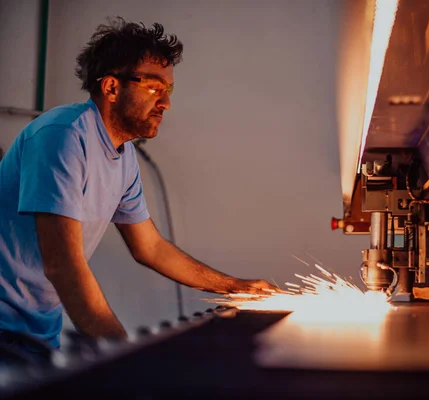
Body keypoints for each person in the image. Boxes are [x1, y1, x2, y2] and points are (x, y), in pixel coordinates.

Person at [0, 17, 278, 356]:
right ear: (112, 88)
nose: (166, 103)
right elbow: (63, 264)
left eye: (168, 91)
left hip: (37, 332)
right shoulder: (63, 136)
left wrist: (235, 287)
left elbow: (151, 248)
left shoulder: (124, 155)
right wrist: (124, 354)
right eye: (154, 88)